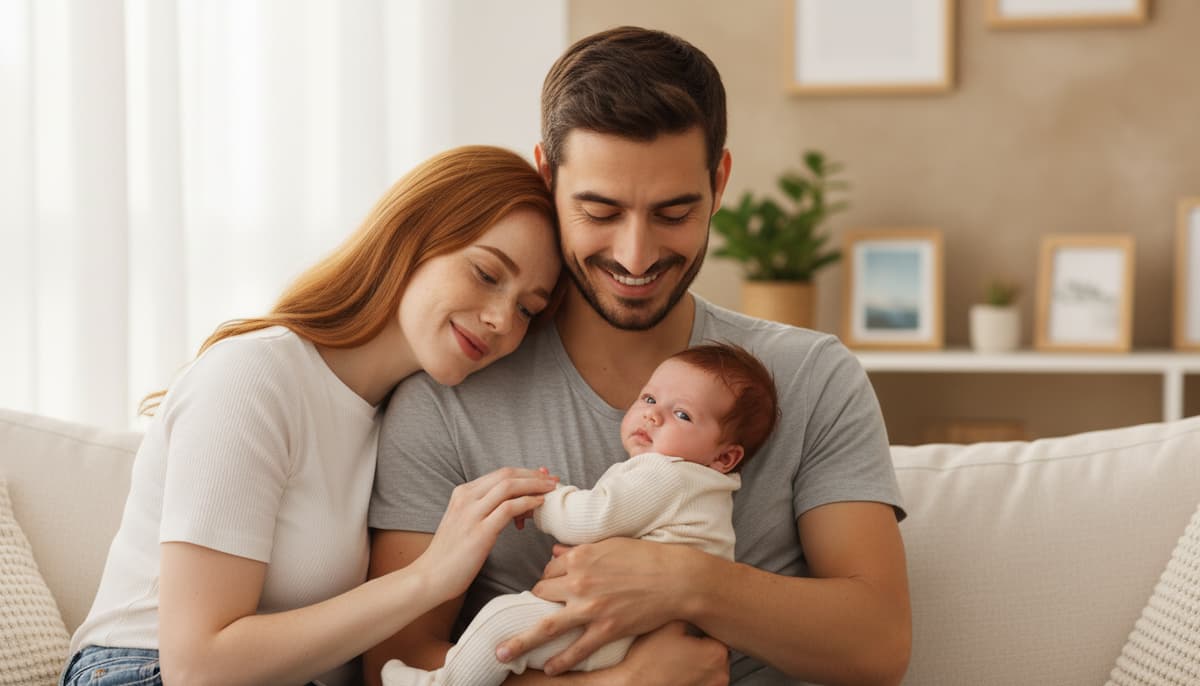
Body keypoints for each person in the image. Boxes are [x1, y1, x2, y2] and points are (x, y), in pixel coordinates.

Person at [366, 27, 911, 686]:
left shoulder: (812, 376)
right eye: (600, 211)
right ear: (547, 176)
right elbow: (393, 667)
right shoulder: (448, 397)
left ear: (720, 182)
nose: (635, 255)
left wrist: (686, 582)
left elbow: (879, 646)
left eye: (674, 212)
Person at [60, 145, 564, 686]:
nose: (500, 321)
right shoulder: (255, 375)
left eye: (527, 310)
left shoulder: (397, 419)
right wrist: (427, 578)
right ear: (410, 237)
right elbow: (197, 666)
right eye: (487, 273)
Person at [380, 343, 778, 686]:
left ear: (724, 457)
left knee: (502, 619)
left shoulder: (667, 474)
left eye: (683, 415)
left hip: (617, 631)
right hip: (641, 633)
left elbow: (591, 519)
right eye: (650, 399)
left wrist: (544, 498)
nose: (652, 416)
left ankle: (441, 682)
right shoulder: (702, 490)